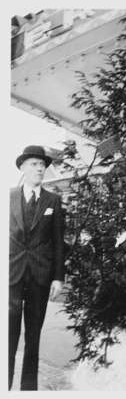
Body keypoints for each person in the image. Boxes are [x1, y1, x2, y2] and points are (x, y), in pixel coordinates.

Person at [9, 145, 65, 390]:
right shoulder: (7, 196)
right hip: (10, 274)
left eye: (42, 164)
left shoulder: (53, 200)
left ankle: (28, 389)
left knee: (33, 337)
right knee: (7, 335)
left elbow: (58, 242)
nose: (40, 168)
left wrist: (58, 277)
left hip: (40, 276)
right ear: (22, 167)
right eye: (34, 164)